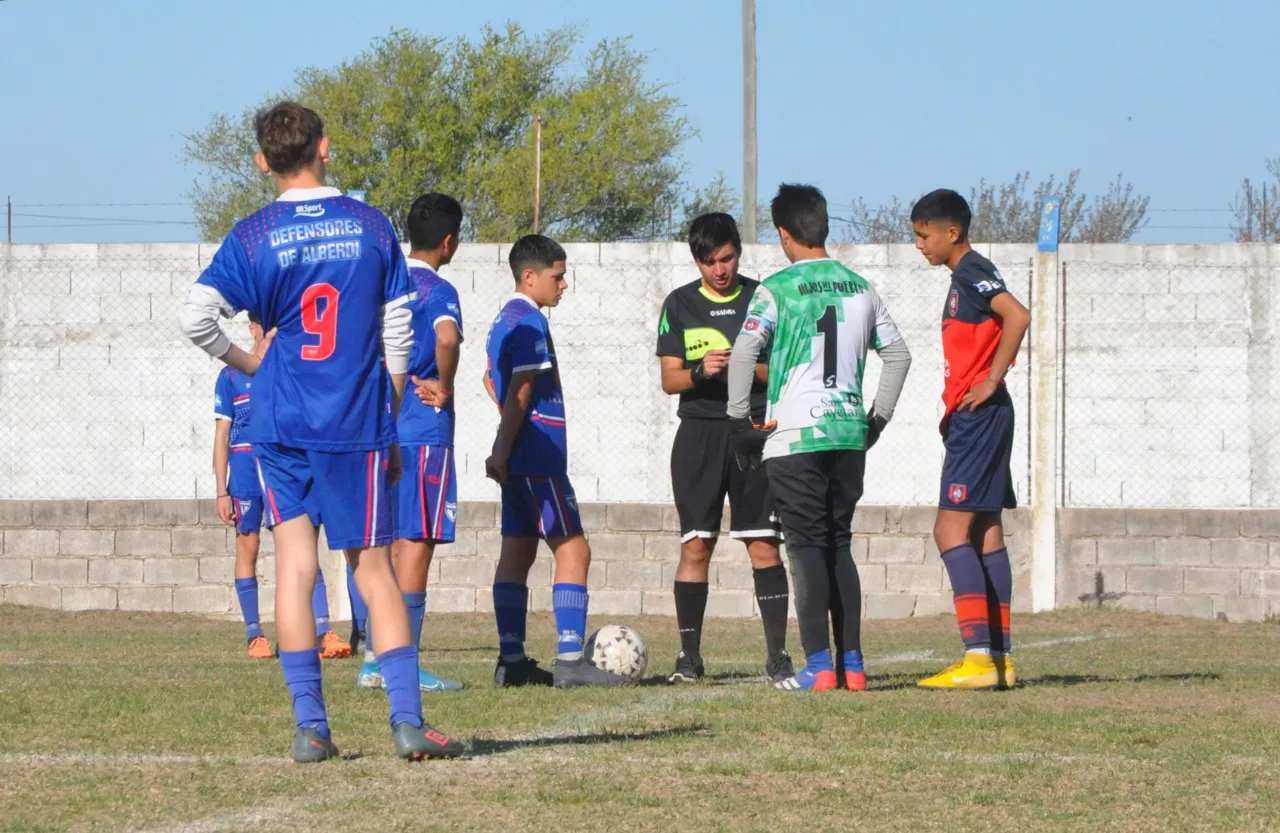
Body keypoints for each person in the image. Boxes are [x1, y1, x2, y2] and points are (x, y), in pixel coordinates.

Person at [179, 100, 463, 762]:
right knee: (373, 569)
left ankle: (311, 728)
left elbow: (195, 315)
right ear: (324, 147)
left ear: (261, 162)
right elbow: (399, 325)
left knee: (295, 564)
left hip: (279, 419)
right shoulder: (369, 226)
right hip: (353, 420)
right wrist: (388, 405)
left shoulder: (253, 235)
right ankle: (406, 721)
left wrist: (252, 363)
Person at [727, 183, 912, 692]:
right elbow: (899, 355)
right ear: (823, 227)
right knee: (840, 544)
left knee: (806, 547)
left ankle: (818, 666)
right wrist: (878, 419)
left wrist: (740, 419)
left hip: (795, 436)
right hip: (848, 432)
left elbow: (744, 354)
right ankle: (852, 665)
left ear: (784, 234)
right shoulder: (860, 287)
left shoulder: (777, 289)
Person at [484, 234, 630, 689]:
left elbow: (492, 380)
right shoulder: (529, 321)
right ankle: (570, 660)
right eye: (557, 275)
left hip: (519, 456)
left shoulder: (501, 319)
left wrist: (504, 441)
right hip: (539, 454)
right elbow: (522, 389)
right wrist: (506, 446)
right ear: (529, 276)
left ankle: (511, 661)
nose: (563, 284)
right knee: (573, 548)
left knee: (517, 551)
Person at [654, 212, 792, 684]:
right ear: (697, 261)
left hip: (753, 431)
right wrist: (699, 371)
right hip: (698, 435)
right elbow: (669, 379)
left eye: (728, 258)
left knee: (763, 543)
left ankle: (778, 658)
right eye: (710, 261)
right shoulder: (679, 304)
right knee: (696, 546)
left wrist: (744, 365)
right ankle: (689, 658)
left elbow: (782, 374)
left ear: (739, 252)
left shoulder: (763, 298)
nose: (721, 269)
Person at [909, 188, 1029, 691]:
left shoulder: (970, 270)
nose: (919, 245)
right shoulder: (968, 272)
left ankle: (978, 658)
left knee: (949, 531)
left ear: (950, 233)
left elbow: (1017, 315)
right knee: (986, 532)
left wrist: (991, 379)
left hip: (979, 416)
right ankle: (999, 659)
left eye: (922, 235)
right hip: (981, 418)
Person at [355, 193, 465, 693]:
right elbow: (446, 338)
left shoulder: (386, 285)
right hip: (423, 433)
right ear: (449, 241)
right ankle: (402, 664)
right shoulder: (437, 288)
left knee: (388, 546)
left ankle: (376, 657)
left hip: (382, 430)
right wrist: (444, 384)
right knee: (416, 547)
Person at [214, 314, 351, 661]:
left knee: (303, 544)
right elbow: (221, 435)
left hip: (284, 466)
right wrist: (221, 489)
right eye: (264, 325)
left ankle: (323, 632)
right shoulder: (231, 376)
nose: (271, 331)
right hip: (246, 470)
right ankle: (254, 635)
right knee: (249, 547)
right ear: (252, 328)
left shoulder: (292, 370)